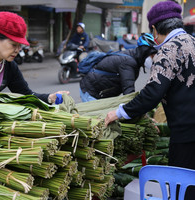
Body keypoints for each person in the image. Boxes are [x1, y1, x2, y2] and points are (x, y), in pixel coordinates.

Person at [105, 1, 195, 199]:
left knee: (183, 188)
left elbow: (152, 92)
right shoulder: (192, 41)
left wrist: (119, 112)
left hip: (187, 132)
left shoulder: (168, 49)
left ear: (154, 28)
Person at [79, 33, 157, 102]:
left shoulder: (135, 59)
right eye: (152, 55)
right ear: (144, 52)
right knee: (97, 117)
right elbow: (128, 92)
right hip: (90, 91)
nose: (154, 59)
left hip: (102, 94)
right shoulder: (128, 62)